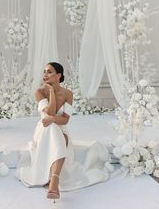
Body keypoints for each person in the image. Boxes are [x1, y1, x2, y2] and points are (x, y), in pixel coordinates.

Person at [16, 62, 110, 202]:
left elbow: (65, 120)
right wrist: (52, 93)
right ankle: (54, 182)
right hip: (43, 129)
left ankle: (53, 182)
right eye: (44, 72)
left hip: (61, 129)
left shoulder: (68, 94)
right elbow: (49, 113)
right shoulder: (39, 92)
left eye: (49, 72)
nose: (45, 75)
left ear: (58, 75)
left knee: (55, 128)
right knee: (51, 127)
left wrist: (53, 114)